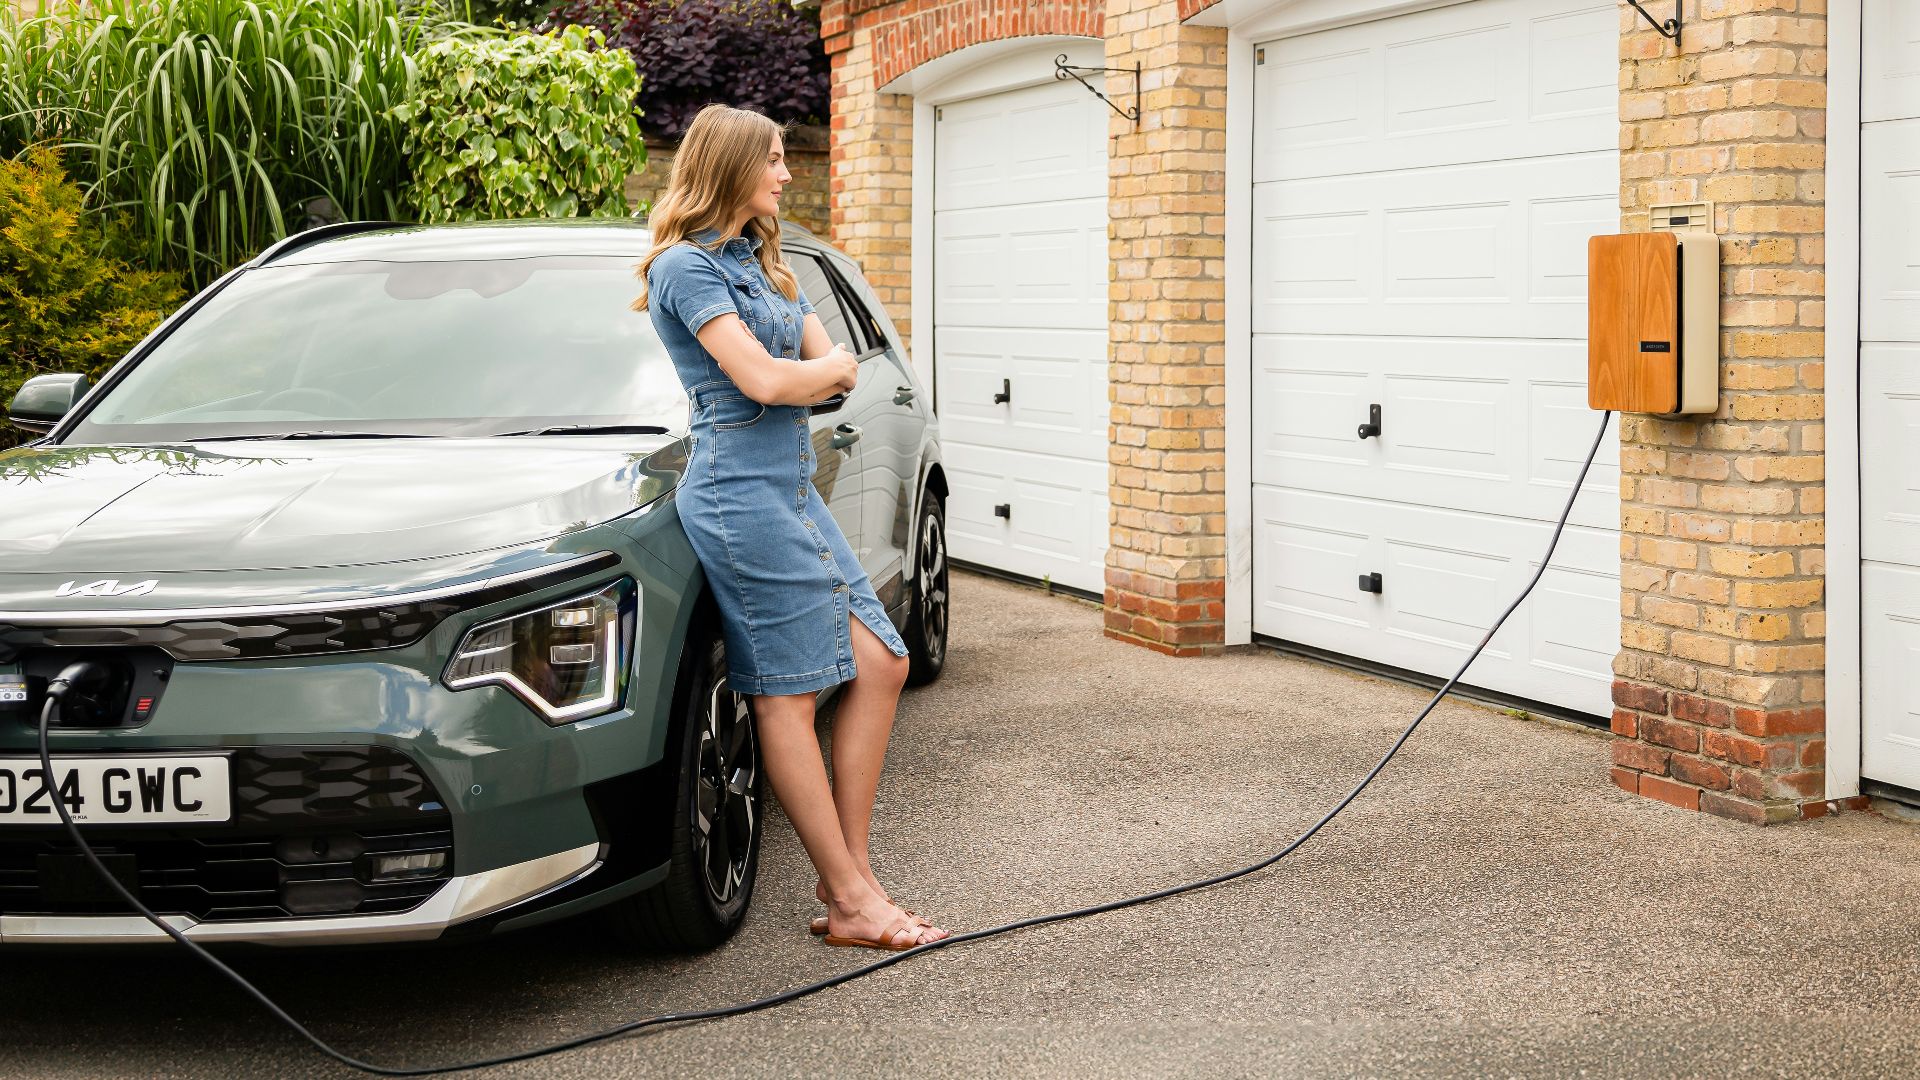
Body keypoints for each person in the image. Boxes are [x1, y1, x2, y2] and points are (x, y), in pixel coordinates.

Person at [634, 104, 949, 952]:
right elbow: (770, 381)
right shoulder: (684, 268)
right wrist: (813, 372)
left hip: (792, 484)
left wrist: (815, 371)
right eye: (772, 160)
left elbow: (829, 364)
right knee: (787, 691)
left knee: (882, 661)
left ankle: (852, 879)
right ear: (730, 165)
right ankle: (850, 898)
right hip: (738, 492)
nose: (784, 173)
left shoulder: (762, 263)